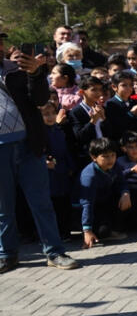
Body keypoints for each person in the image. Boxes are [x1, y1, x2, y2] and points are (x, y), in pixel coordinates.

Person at [1, 46, 77, 272]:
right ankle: (7, 254)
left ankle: (54, 252)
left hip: (28, 145)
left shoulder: (17, 70)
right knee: (3, 207)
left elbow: (41, 99)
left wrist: (35, 73)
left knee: (41, 203)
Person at [78, 137, 131, 247]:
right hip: (86, 207)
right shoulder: (89, 176)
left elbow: (122, 182)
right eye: (105, 156)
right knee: (103, 231)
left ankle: (114, 227)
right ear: (94, 157)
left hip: (104, 201)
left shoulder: (115, 166)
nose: (110, 159)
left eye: (112, 155)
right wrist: (87, 230)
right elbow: (87, 204)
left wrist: (125, 193)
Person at [41, 100, 75, 241]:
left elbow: (66, 150)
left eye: (52, 113)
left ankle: (66, 231)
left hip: (62, 170)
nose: (50, 117)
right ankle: (55, 233)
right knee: (52, 203)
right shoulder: (40, 133)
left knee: (64, 202)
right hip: (49, 172)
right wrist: (44, 161)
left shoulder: (58, 130)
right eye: (45, 114)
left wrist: (70, 166)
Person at [69, 74, 107, 159]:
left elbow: (111, 133)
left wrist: (104, 118)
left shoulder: (102, 108)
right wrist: (93, 121)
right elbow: (80, 137)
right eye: (94, 90)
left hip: (106, 150)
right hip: (88, 155)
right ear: (82, 92)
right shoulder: (76, 112)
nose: (98, 93)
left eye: (100, 90)